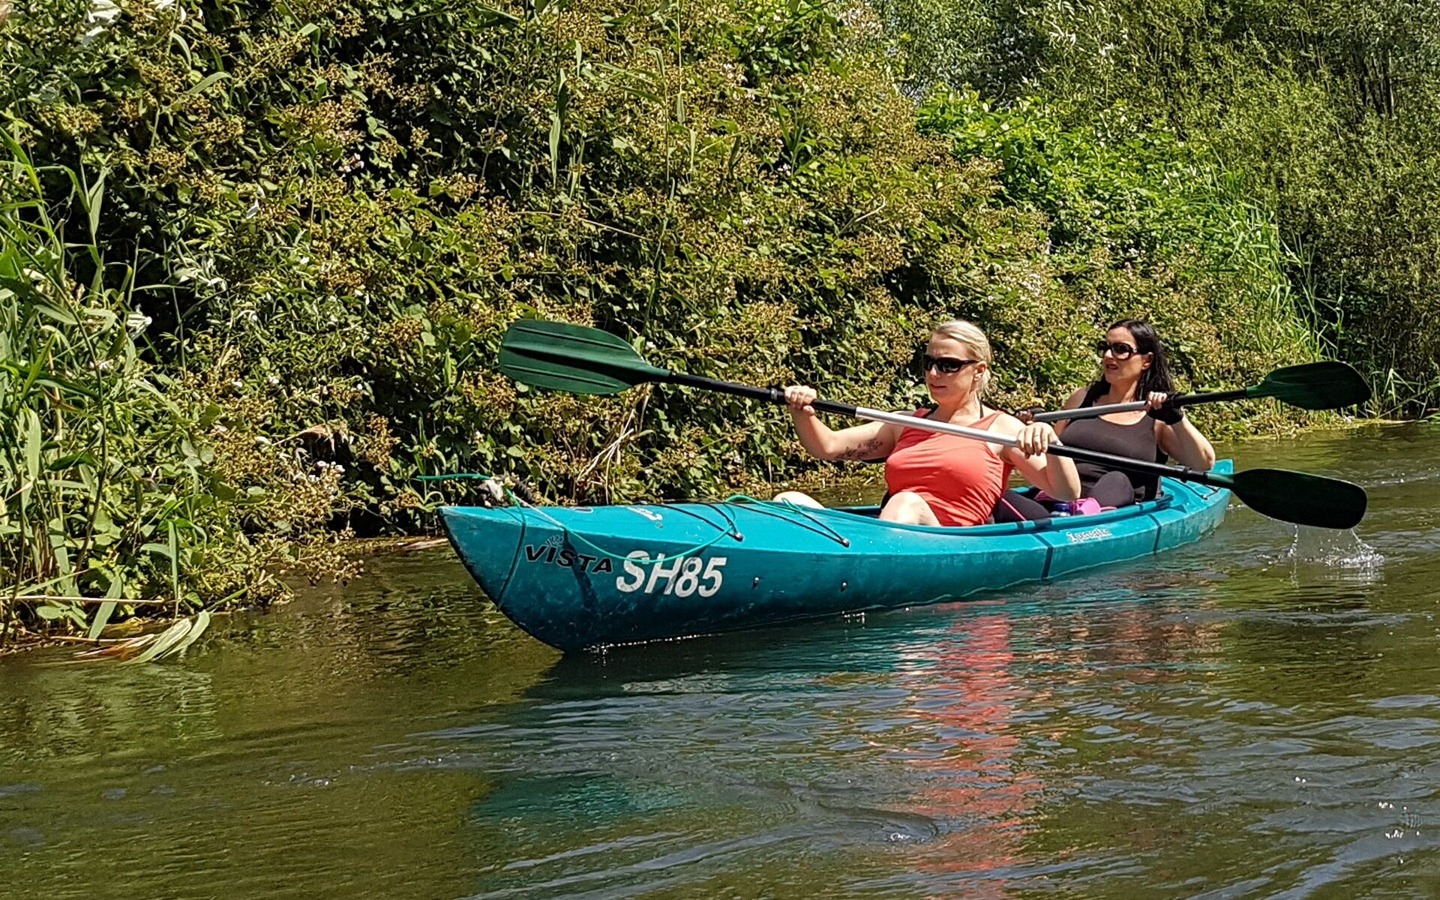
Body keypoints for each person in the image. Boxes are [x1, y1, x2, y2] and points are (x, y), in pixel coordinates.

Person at [772, 319, 1080, 527]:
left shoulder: (1002, 429)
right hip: (896, 530)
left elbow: (1066, 492)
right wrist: (802, 410)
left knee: (907, 503)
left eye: (948, 365)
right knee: (788, 500)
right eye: (929, 363)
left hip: (951, 544)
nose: (933, 374)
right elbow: (826, 446)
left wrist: (1050, 441)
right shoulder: (904, 423)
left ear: (978, 370)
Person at [1035, 319, 1216, 508]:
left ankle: (1086, 512)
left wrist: (1177, 419)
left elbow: (1204, 463)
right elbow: (1050, 454)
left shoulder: (1158, 417)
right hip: (1059, 500)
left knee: (1117, 479)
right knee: (1012, 500)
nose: (1108, 356)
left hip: (1114, 504)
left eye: (1120, 349)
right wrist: (1033, 427)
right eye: (1105, 347)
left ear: (1147, 360)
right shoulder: (1081, 398)